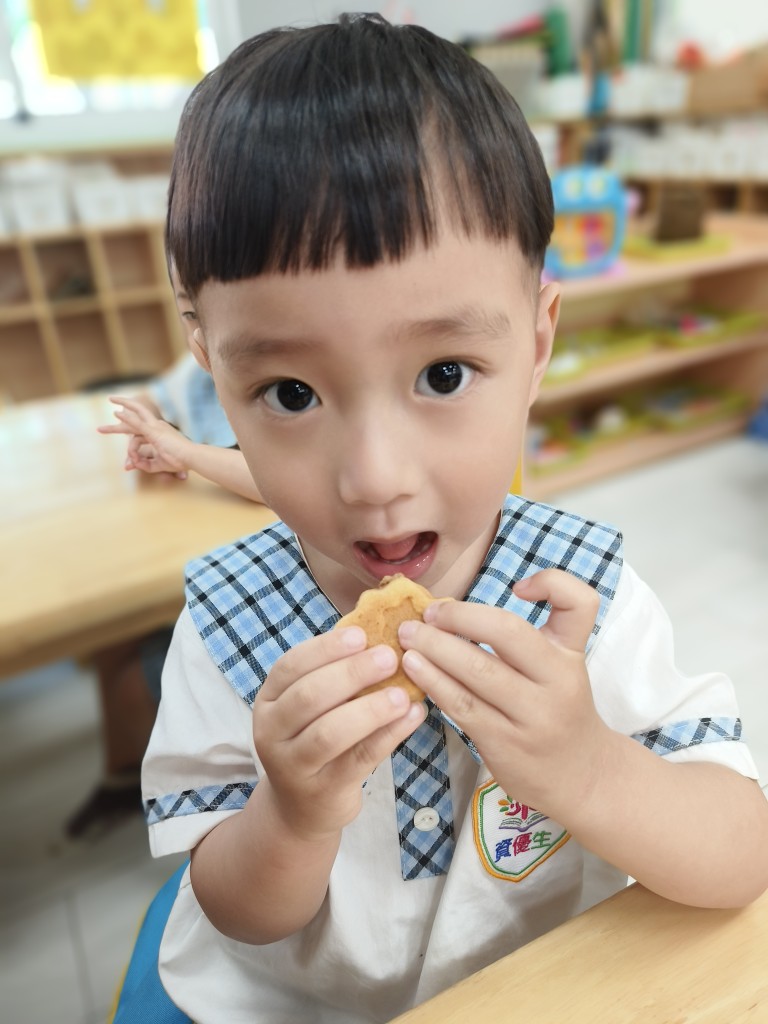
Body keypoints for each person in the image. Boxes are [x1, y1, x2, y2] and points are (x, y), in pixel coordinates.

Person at [140, 14, 768, 1023]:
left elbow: (740, 856)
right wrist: (291, 816)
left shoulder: (581, 601)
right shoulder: (227, 628)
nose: (375, 480)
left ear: (537, 344)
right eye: (291, 393)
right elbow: (235, 913)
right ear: (214, 369)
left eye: (442, 374)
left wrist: (589, 766)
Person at [66, 284, 263, 840]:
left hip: (261, 571)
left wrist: (187, 453)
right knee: (111, 640)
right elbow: (155, 396)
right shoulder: (201, 367)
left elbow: (277, 478)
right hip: (208, 555)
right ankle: (122, 777)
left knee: (131, 667)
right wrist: (150, 426)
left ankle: (187, 801)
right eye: (187, 314)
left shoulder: (274, 366)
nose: (198, 334)